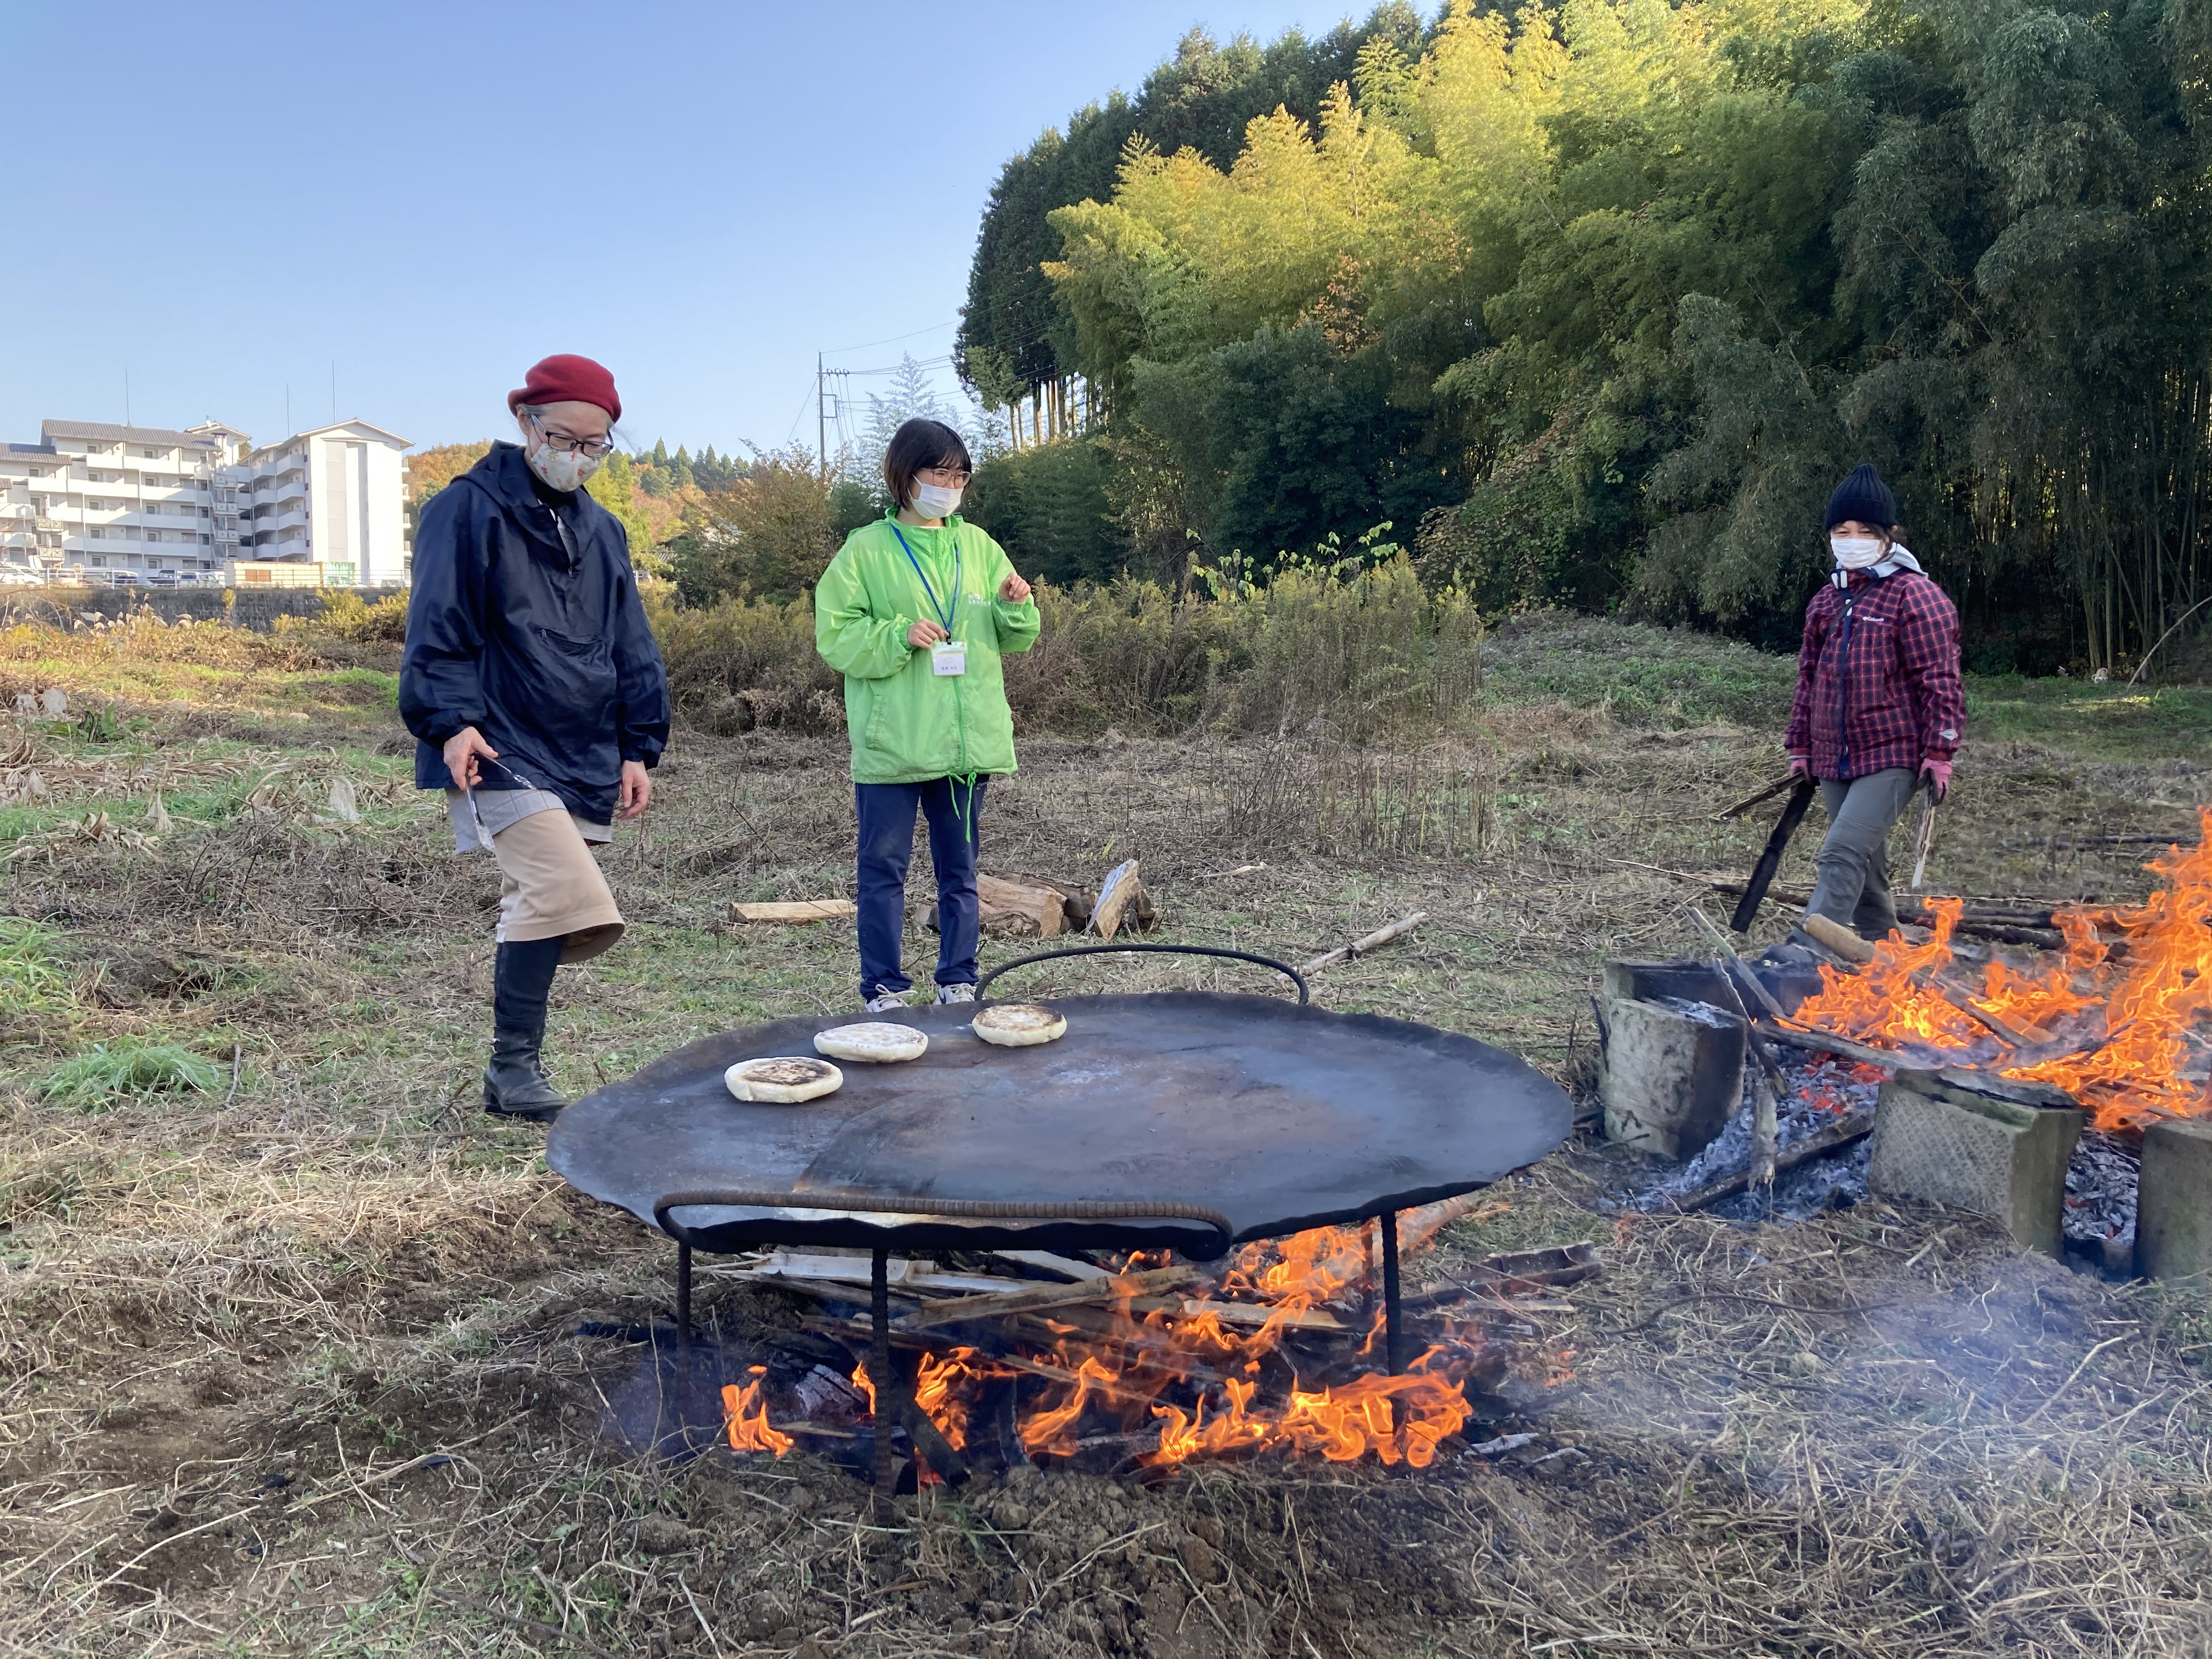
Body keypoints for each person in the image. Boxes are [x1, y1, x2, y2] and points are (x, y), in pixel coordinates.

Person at [399, 354, 670, 1120]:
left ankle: (510, 1075)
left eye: (596, 446)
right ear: (525, 422)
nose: (577, 456)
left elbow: (632, 642)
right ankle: (513, 1068)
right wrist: (450, 723)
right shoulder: (467, 509)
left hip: (583, 737)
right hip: (496, 738)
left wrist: (638, 744)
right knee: (563, 892)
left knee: (539, 904)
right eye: (564, 437)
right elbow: (438, 624)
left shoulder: (605, 530)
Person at [815, 419, 1039, 1011]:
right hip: (895, 744)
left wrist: (1016, 606)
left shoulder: (980, 546)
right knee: (882, 872)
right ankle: (883, 988)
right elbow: (835, 636)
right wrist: (897, 634)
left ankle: (958, 980)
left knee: (960, 872)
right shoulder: (865, 549)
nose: (951, 483)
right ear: (904, 474)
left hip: (967, 744)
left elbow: (1013, 638)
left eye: (960, 474)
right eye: (939, 471)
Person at [1783, 461, 1964, 940]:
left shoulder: (1914, 596)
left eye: (1865, 530)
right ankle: (1885, 961)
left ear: (1890, 535)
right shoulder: (1826, 601)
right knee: (1866, 871)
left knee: (1842, 851)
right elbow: (1809, 679)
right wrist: (1800, 745)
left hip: (1892, 754)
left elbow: (1939, 678)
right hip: (1834, 757)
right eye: (1843, 530)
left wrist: (1941, 750)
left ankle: (1804, 956)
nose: (1852, 538)